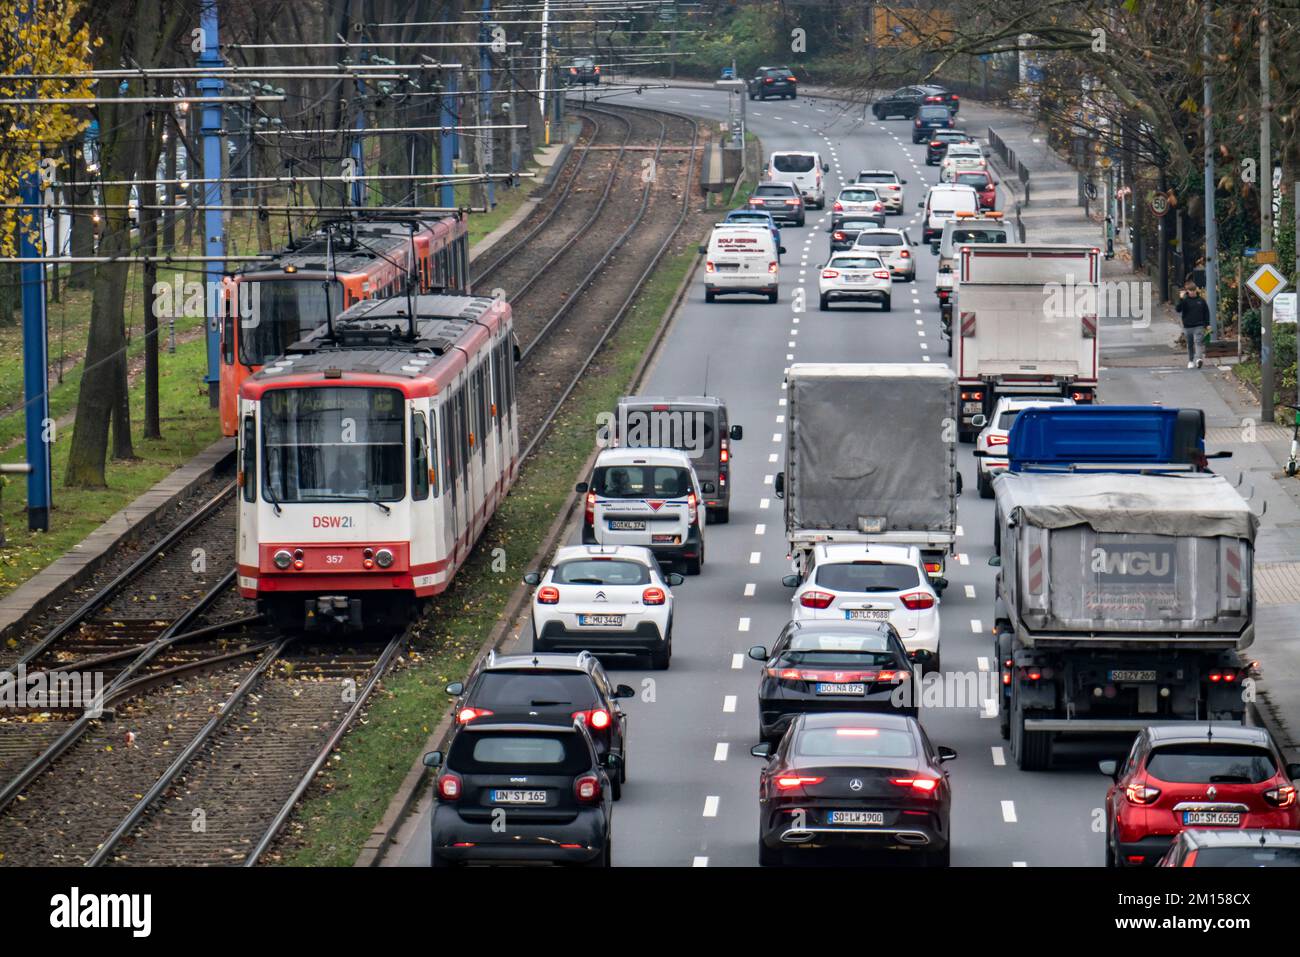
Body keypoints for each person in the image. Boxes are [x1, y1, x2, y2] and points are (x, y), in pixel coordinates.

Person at [1175, 277, 1210, 369]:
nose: (1193, 292)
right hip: (1187, 326)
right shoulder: (1185, 301)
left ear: (1196, 290)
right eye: (1190, 290)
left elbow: (1206, 312)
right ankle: (1190, 360)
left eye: (1194, 290)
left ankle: (1199, 359)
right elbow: (1178, 309)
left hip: (1199, 325)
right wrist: (1181, 299)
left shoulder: (1201, 301)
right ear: (1187, 291)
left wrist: (1207, 324)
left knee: (1198, 342)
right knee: (1190, 344)